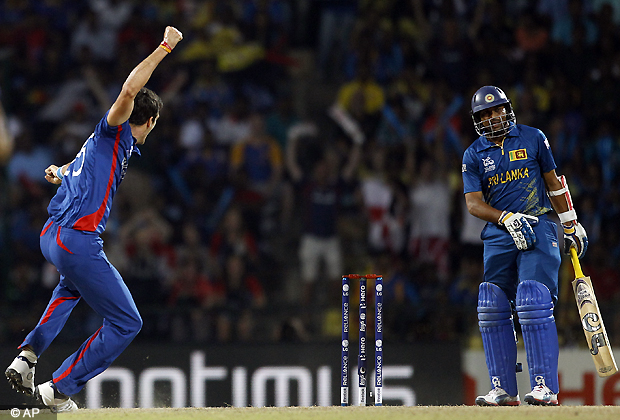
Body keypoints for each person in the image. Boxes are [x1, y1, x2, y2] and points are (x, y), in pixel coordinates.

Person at [4, 26, 183, 412]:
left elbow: (78, 167)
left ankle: (27, 356)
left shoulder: (101, 143)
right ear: (150, 121)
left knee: (70, 290)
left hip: (53, 237)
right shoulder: (116, 130)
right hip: (77, 239)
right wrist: (165, 47)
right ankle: (60, 389)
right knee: (127, 322)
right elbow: (128, 92)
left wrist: (60, 170)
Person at [462, 86, 588, 406]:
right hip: (499, 232)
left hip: (539, 224)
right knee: (491, 303)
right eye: (484, 114)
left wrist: (570, 223)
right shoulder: (474, 153)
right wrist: (505, 218)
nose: (492, 117)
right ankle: (502, 389)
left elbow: (554, 182)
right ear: (478, 120)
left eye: (497, 110)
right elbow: (474, 204)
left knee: (532, 298)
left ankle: (544, 386)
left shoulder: (533, 138)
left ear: (507, 109)